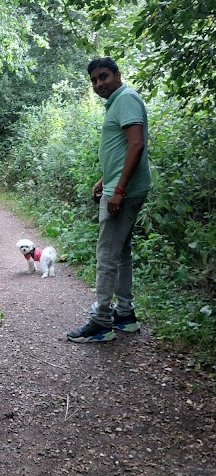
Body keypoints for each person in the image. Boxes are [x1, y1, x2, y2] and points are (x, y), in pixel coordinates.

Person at [67, 57, 151, 343]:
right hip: (120, 187)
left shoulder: (126, 99)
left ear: (117, 75)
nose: (98, 84)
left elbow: (137, 144)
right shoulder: (118, 101)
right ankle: (124, 315)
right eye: (93, 80)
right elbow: (121, 148)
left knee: (105, 256)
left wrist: (118, 190)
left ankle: (101, 322)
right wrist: (105, 181)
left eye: (103, 77)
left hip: (123, 193)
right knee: (122, 252)